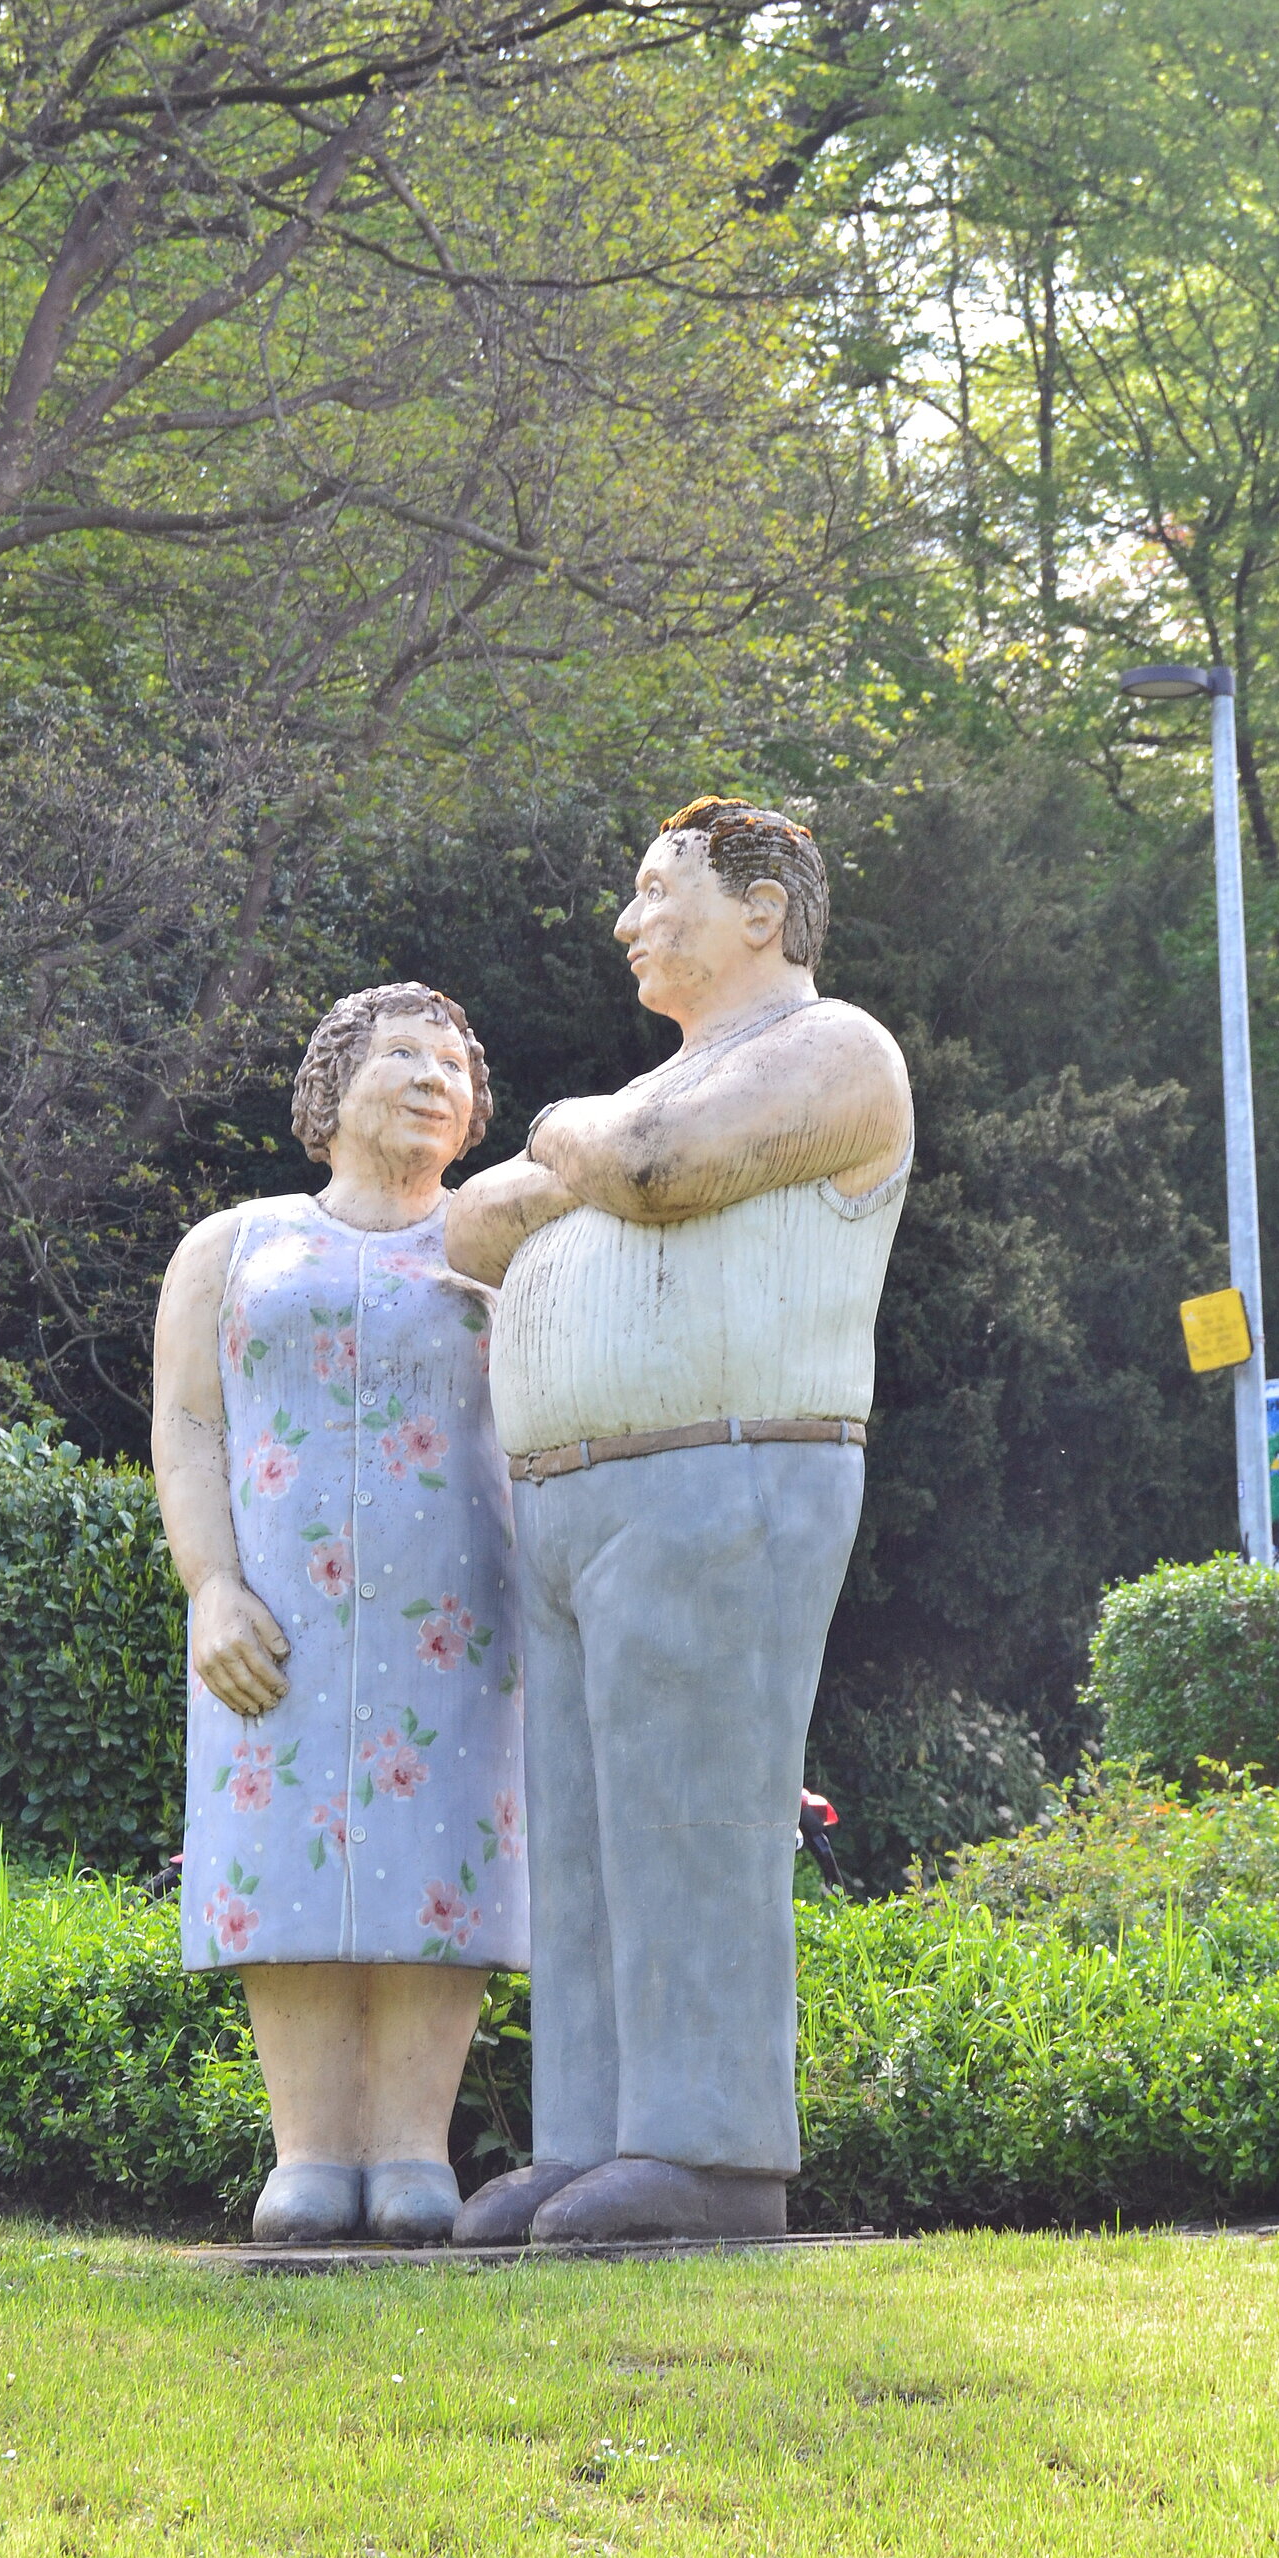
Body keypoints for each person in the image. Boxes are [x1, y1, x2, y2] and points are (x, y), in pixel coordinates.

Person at [445, 797, 910, 2245]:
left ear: (763, 907)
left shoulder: (832, 1053)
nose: (629, 920)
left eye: (661, 891)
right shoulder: (664, 1092)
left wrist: (575, 1141)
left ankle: (710, 2148)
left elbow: (649, 1169)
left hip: (732, 1476)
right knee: (582, 1837)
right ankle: (592, 2140)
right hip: (578, 1498)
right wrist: (595, 1152)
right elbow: (468, 1227)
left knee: (691, 1813)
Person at [152, 984, 527, 2245]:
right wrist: (211, 1586)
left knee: (439, 1862)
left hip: (458, 1614)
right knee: (288, 1859)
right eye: (402, 1055)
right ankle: (308, 2153)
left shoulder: (495, 1248)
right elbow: (191, 1425)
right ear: (329, 1090)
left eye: (455, 1067)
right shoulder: (234, 1244)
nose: (432, 1078)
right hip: (279, 1619)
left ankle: (415, 2152)